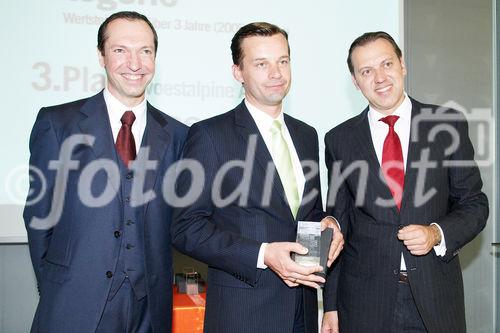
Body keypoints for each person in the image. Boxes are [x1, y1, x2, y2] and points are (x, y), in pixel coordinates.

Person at [171, 22, 343, 333]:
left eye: (283, 61)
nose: (276, 73)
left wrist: (328, 223)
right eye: (261, 64)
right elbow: (186, 228)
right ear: (238, 72)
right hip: (243, 315)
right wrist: (263, 254)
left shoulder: (306, 135)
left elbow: (307, 213)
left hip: (302, 312)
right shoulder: (210, 136)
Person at [23, 11, 188, 333]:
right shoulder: (57, 124)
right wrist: (58, 287)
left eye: (145, 51)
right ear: (101, 56)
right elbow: (39, 217)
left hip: (149, 311)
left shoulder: (178, 135)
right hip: (72, 305)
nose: (134, 63)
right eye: (120, 50)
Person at [322, 31, 488, 333]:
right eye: (366, 71)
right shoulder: (339, 140)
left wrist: (436, 234)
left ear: (403, 65)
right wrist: (330, 304)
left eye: (386, 64)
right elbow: (338, 224)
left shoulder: (446, 125)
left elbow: (474, 204)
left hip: (435, 298)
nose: (380, 77)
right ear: (356, 82)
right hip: (363, 303)